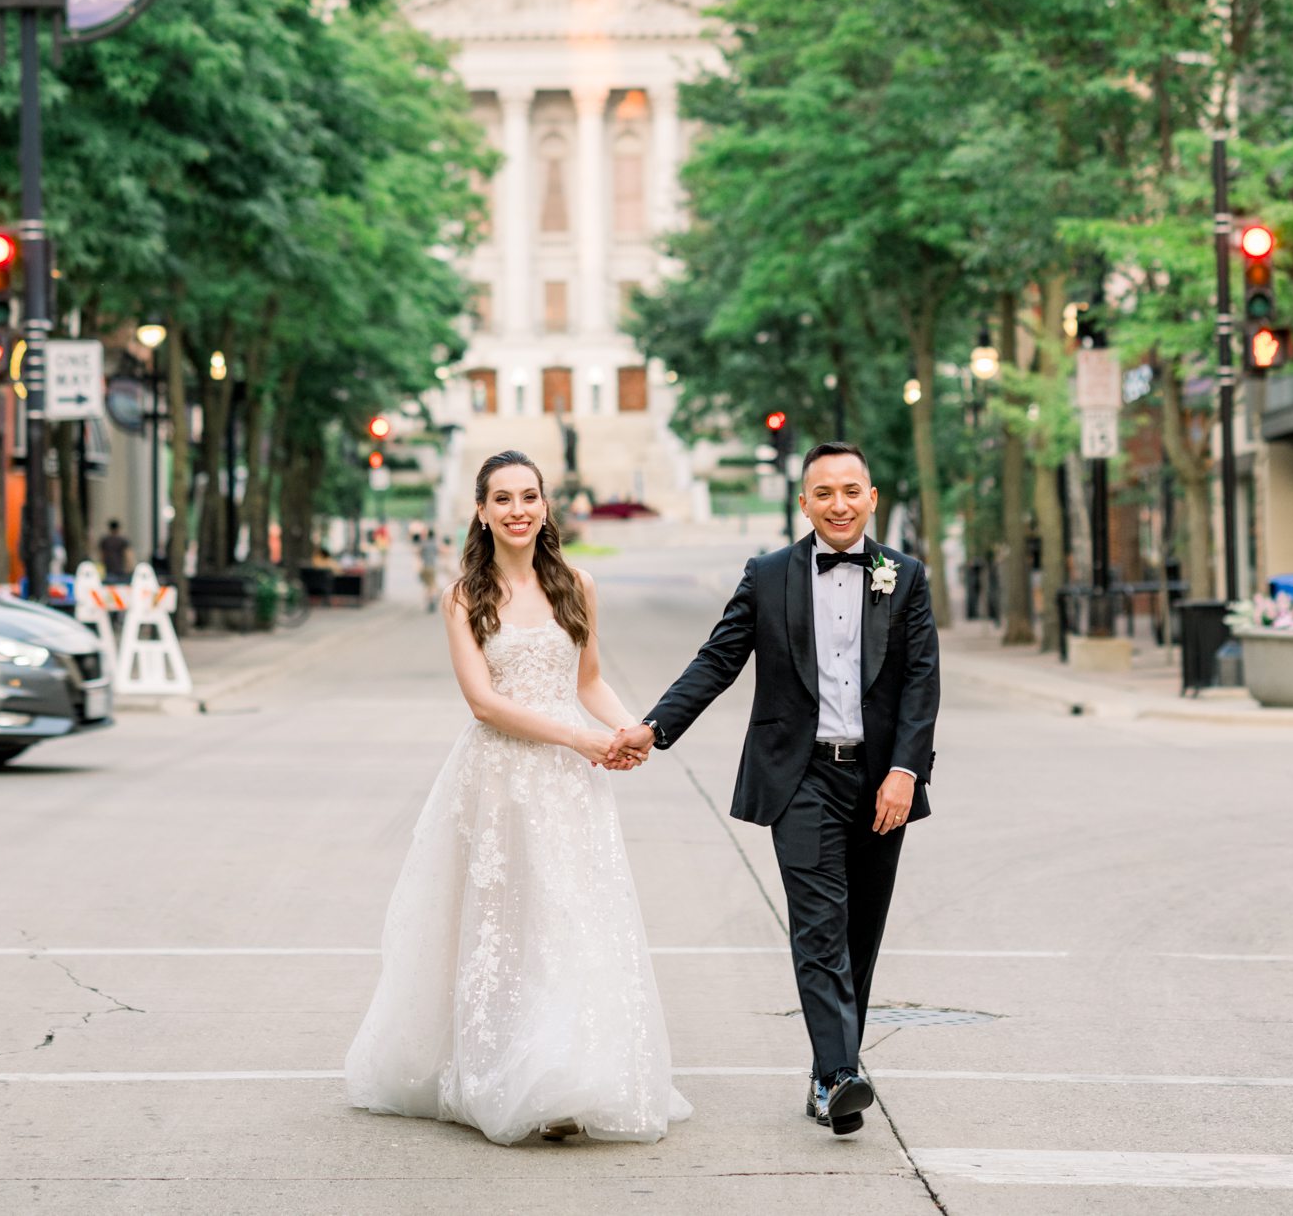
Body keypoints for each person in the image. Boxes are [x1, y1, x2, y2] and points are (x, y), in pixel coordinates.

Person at [345, 449, 688, 1146]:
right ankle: (501, 1068)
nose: (518, 510)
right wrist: (579, 738)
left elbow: (589, 678)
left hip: (569, 782)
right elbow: (483, 703)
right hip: (499, 780)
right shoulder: (464, 597)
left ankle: (567, 1077)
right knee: (503, 930)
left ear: (545, 505)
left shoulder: (578, 585)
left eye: (529, 496)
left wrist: (628, 728)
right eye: (502, 498)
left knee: (570, 921)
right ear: (481, 510)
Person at [611, 441, 940, 1139]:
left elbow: (921, 682)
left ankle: (827, 1075)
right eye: (824, 493)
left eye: (852, 491)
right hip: (801, 777)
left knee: (859, 936)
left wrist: (905, 772)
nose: (839, 504)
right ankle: (843, 1072)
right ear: (804, 503)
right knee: (819, 930)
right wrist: (654, 727)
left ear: (871, 498)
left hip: (883, 780)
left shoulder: (904, 577)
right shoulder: (767, 577)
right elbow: (718, 659)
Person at [417, 525, 440, 613]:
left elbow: (418, 553)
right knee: (433, 585)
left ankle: (427, 603)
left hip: (424, 566)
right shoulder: (434, 543)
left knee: (426, 586)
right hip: (432, 567)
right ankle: (432, 600)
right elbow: (439, 552)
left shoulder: (423, 543)